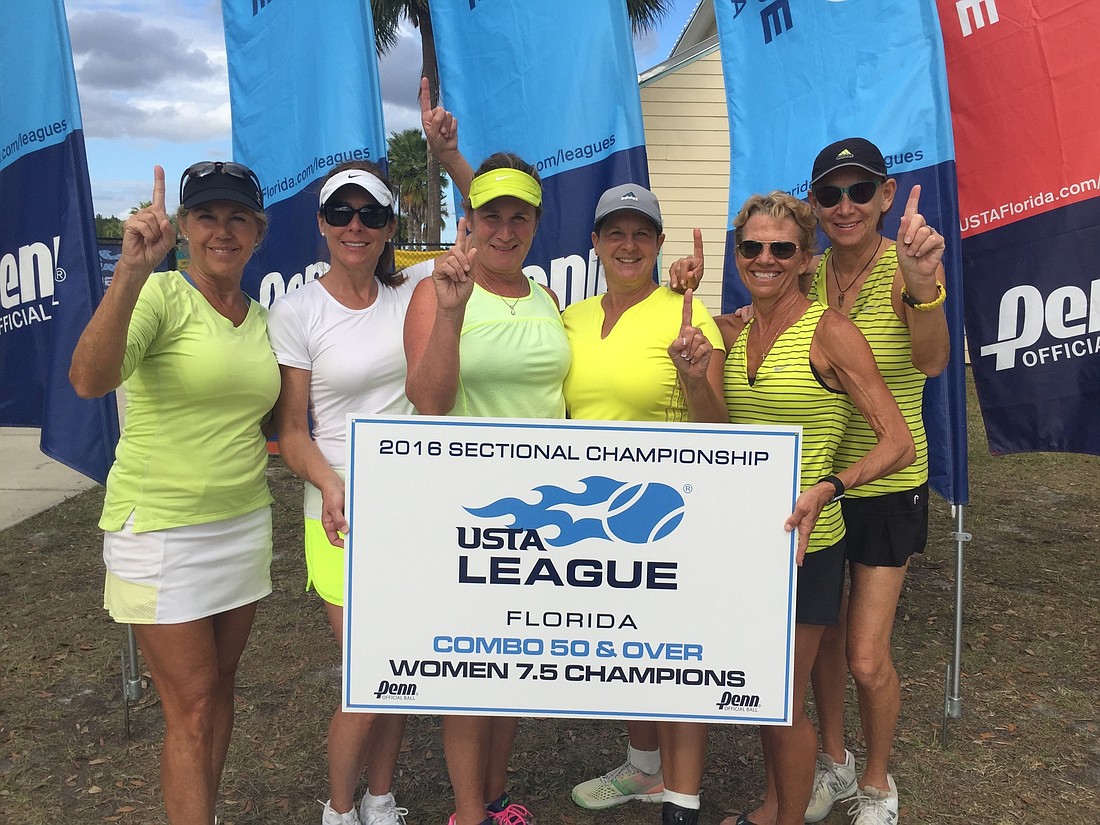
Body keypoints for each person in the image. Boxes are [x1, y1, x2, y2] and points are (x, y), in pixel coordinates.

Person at [668, 190, 914, 825]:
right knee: (759, 693)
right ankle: (773, 808)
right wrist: (695, 375)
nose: (765, 258)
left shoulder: (830, 332)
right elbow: (717, 429)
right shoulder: (731, 328)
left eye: (782, 248)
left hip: (808, 544)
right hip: (742, 544)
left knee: (778, 699)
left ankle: (785, 819)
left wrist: (831, 486)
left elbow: (899, 442)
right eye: (751, 247)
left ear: (808, 260)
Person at [69, 162, 279, 825]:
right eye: (207, 216)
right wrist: (130, 271)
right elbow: (88, 378)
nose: (223, 230)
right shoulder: (160, 296)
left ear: (258, 230)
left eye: (237, 217)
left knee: (218, 693)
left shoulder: (261, 316)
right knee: (189, 706)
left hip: (241, 524)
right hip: (161, 529)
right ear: (184, 227)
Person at [404, 152, 571, 825]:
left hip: (541, 513)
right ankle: (467, 812)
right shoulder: (436, 290)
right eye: (490, 215)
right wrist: (450, 313)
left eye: (518, 216)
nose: (505, 229)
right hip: (468, 509)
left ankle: (498, 799)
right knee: (470, 671)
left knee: (516, 661)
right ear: (468, 222)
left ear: (534, 223)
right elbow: (429, 401)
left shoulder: (547, 297)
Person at [267, 162, 425, 825]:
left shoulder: (413, 291)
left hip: (414, 511)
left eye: (370, 215)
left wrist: (448, 158)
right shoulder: (297, 309)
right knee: (370, 667)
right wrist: (330, 483)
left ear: (391, 227)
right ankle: (337, 809)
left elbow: (490, 231)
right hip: (337, 515)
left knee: (396, 672)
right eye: (340, 214)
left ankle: (380, 798)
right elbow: (292, 429)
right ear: (321, 225)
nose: (355, 227)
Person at [563, 189, 724, 814]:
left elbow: (719, 429)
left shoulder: (686, 315)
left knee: (675, 658)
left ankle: (680, 800)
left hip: (665, 512)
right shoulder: (570, 316)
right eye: (614, 233)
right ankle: (643, 767)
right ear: (596, 243)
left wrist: (692, 375)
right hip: (594, 517)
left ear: (659, 245)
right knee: (622, 650)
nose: (628, 246)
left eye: (642, 234)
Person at [802, 137, 948, 824]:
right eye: (831, 193)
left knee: (865, 655)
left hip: (890, 485)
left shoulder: (904, 267)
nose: (846, 205)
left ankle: (879, 782)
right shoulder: (808, 272)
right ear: (816, 205)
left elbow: (935, 360)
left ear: (887, 195)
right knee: (824, 642)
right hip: (825, 483)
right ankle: (831, 763)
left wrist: (924, 291)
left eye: (861, 191)